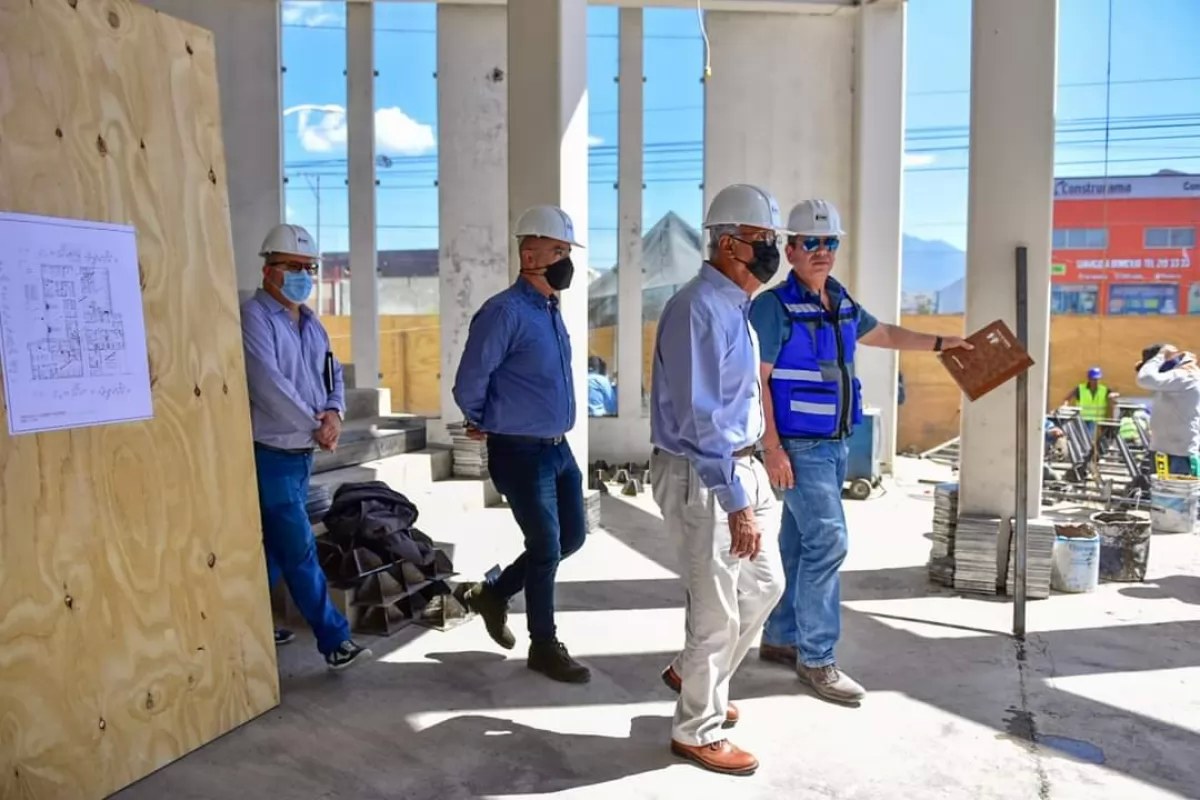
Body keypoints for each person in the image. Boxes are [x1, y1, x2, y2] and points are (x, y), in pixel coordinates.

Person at [750, 199, 970, 705]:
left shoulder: (840, 299)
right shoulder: (772, 307)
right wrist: (772, 447)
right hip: (799, 446)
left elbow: (884, 333)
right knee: (829, 541)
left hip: (835, 442)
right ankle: (817, 658)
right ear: (790, 249)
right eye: (811, 242)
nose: (822, 251)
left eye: (830, 242)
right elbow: (755, 382)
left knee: (799, 543)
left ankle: (782, 637)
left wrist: (943, 343)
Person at [650, 184, 788, 776]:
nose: (773, 249)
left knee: (766, 585)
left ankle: (692, 674)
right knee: (716, 613)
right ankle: (696, 729)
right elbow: (700, 417)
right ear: (729, 244)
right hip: (705, 473)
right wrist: (734, 501)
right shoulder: (697, 309)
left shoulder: (736, 308)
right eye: (764, 239)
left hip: (742, 464)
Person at [452, 205, 591, 684]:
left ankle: (493, 594)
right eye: (558, 251)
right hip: (520, 452)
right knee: (546, 545)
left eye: (567, 252)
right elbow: (470, 379)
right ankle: (543, 646)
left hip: (557, 448)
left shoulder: (550, 310)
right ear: (529, 255)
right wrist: (482, 418)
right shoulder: (504, 312)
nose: (565, 261)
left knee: (571, 538)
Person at [240, 223, 371, 670]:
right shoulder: (254, 317)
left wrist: (335, 413)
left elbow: (333, 377)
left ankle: (248, 624)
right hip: (272, 453)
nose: (302, 275)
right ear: (268, 269)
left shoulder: (313, 324)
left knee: (277, 549)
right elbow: (267, 385)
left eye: (308, 267)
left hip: (303, 454)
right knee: (298, 547)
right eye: (293, 266)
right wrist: (314, 427)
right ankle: (335, 640)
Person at [1135, 344, 1200, 477]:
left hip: (1179, 454)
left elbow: (1145, 379)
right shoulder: (1173, 377)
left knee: (1177, 490)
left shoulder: (1185, 375)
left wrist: (1160, 356)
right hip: (1162, 450)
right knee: (1159, 489)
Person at [1062, 366, 1117, 442]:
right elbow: (1067, 398)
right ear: (1089, 379)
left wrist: (1114, 396)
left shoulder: (1104, 389)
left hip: (1098, 421)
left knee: (1092, 440)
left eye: (1097, 379)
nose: (1096, 381)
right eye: (1094, 379)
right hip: (1082, 420)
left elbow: (1115, 397)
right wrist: (1065, 408)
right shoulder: (1080, 389)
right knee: (1086, 440)